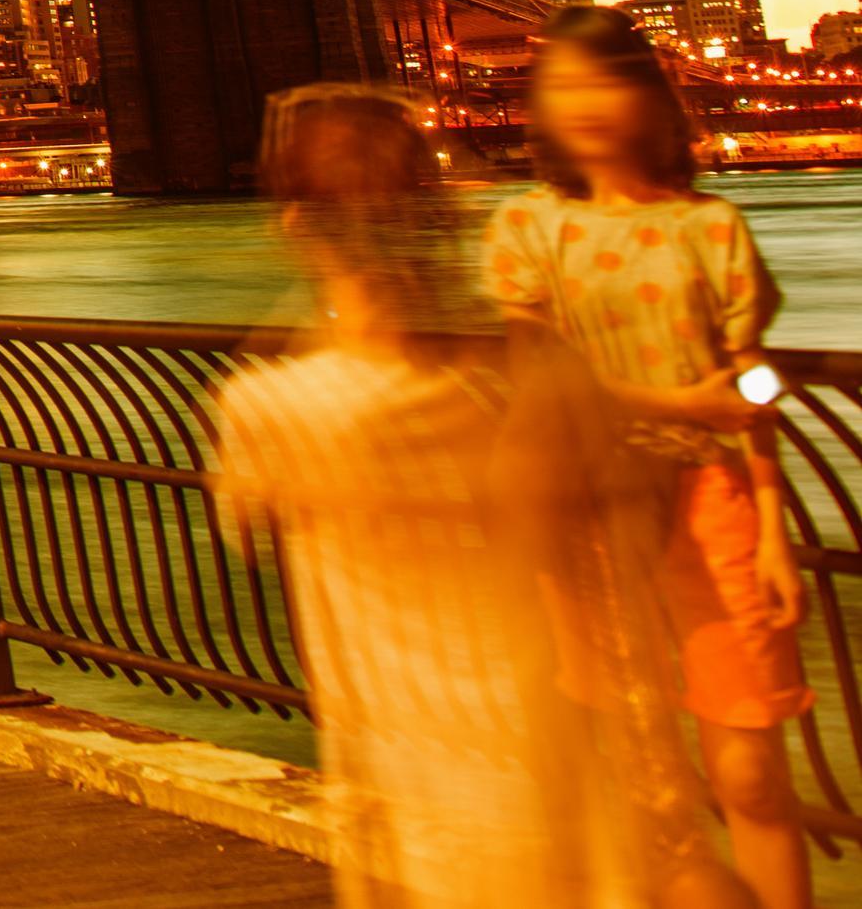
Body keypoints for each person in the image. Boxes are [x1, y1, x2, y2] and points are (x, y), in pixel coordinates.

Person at [205, 85, 659, 909]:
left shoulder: (272, 410)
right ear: (434, 203)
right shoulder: (532, 371)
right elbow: (622, 538)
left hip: (406, 772)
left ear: (294, 224)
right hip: (556, 754)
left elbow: (247, 518)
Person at [490, 8, 826, 909]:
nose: (588, 103)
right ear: (543, 108)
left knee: (751, 768)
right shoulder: (526, 230)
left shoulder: (711, 228)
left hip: (716, 500)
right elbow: (546, 382)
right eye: (566, 85)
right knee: (649, 777)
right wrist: (683, 400)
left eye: (609, 79)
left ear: (650, 95)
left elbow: (747, 380)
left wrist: (772, 530)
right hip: (589, 512)